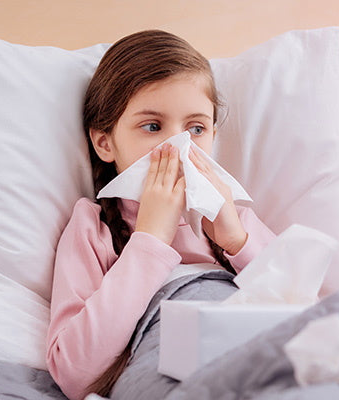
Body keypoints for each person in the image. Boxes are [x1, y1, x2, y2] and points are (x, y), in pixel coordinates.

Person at [45, 30, 277, 400]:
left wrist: (237, 241)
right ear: (105, 142)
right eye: (152, 127)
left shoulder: (235, 222)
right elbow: (74, 373)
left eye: (195, 129)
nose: (178, 146)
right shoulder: (94, 228)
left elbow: (312, 320)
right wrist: (150, 240)